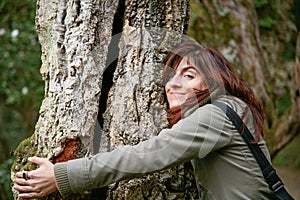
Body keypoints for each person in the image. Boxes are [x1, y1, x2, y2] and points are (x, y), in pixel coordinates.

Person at [13, 40, 276, 199]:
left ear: (215, 82)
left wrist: (63, 175)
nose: (172, 84)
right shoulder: (223, 115)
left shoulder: (218, 113)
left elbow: (148, 154)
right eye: (171, 76)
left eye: (188, 75)